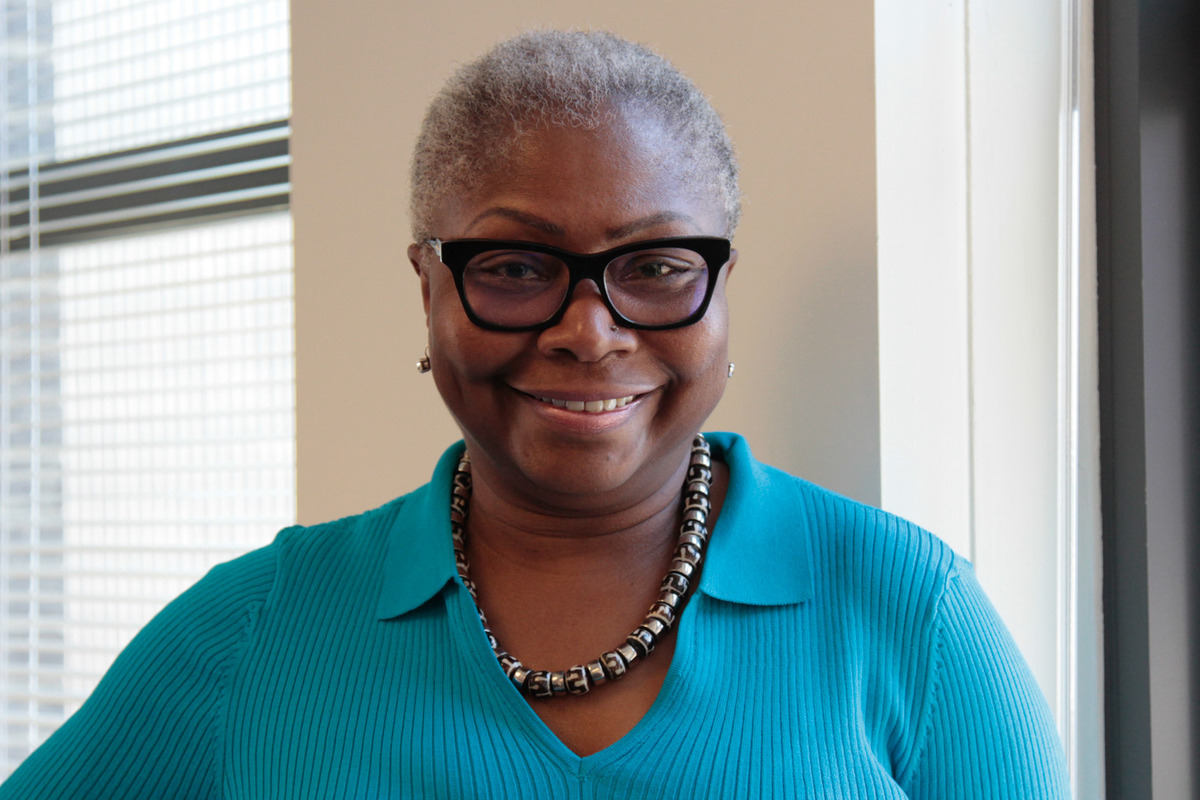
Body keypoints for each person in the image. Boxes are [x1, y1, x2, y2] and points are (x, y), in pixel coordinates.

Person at [1, 30, 1069, 798]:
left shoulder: (911, 616)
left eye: (654, 265)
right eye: (516, 266)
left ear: (722, 284)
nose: (589, 329)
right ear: (429, 287)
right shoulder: (256, 633)